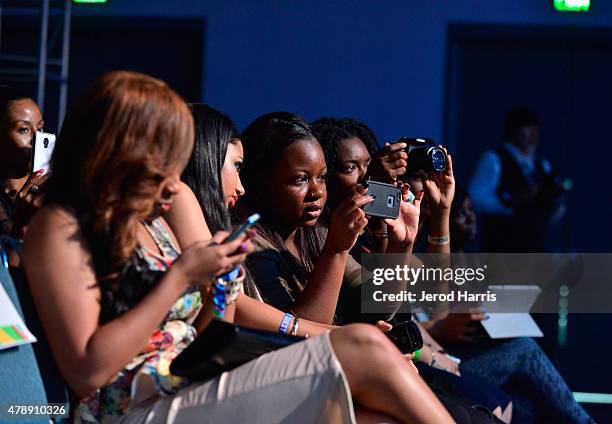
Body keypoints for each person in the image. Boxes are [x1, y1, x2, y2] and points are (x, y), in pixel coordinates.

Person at [23, 74, 453, 424]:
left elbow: (217, 327)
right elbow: (87, 374)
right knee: (364, 346)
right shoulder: (60, 226)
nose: (173, 176)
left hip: (195, 376)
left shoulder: (165, 209)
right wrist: (179, 278)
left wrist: (223, 280)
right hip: (134, 406)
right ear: (119, 151)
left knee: (380, 414)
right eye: (163, 156)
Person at [468, 107, 567, 252]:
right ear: (513, 131)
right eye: (527, 128)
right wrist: (512, 200)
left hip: (534, 249)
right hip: (502, 250)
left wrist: (555, 203)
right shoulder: (495, 159)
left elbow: (553, 209)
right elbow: (474, 199)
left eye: (536, 129)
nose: (534, 135)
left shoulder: (543, 165)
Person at [0, 86, 48, 240]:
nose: (37, 139)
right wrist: (22, 222)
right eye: (24, 130)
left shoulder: (53, 189)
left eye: (40, 128)